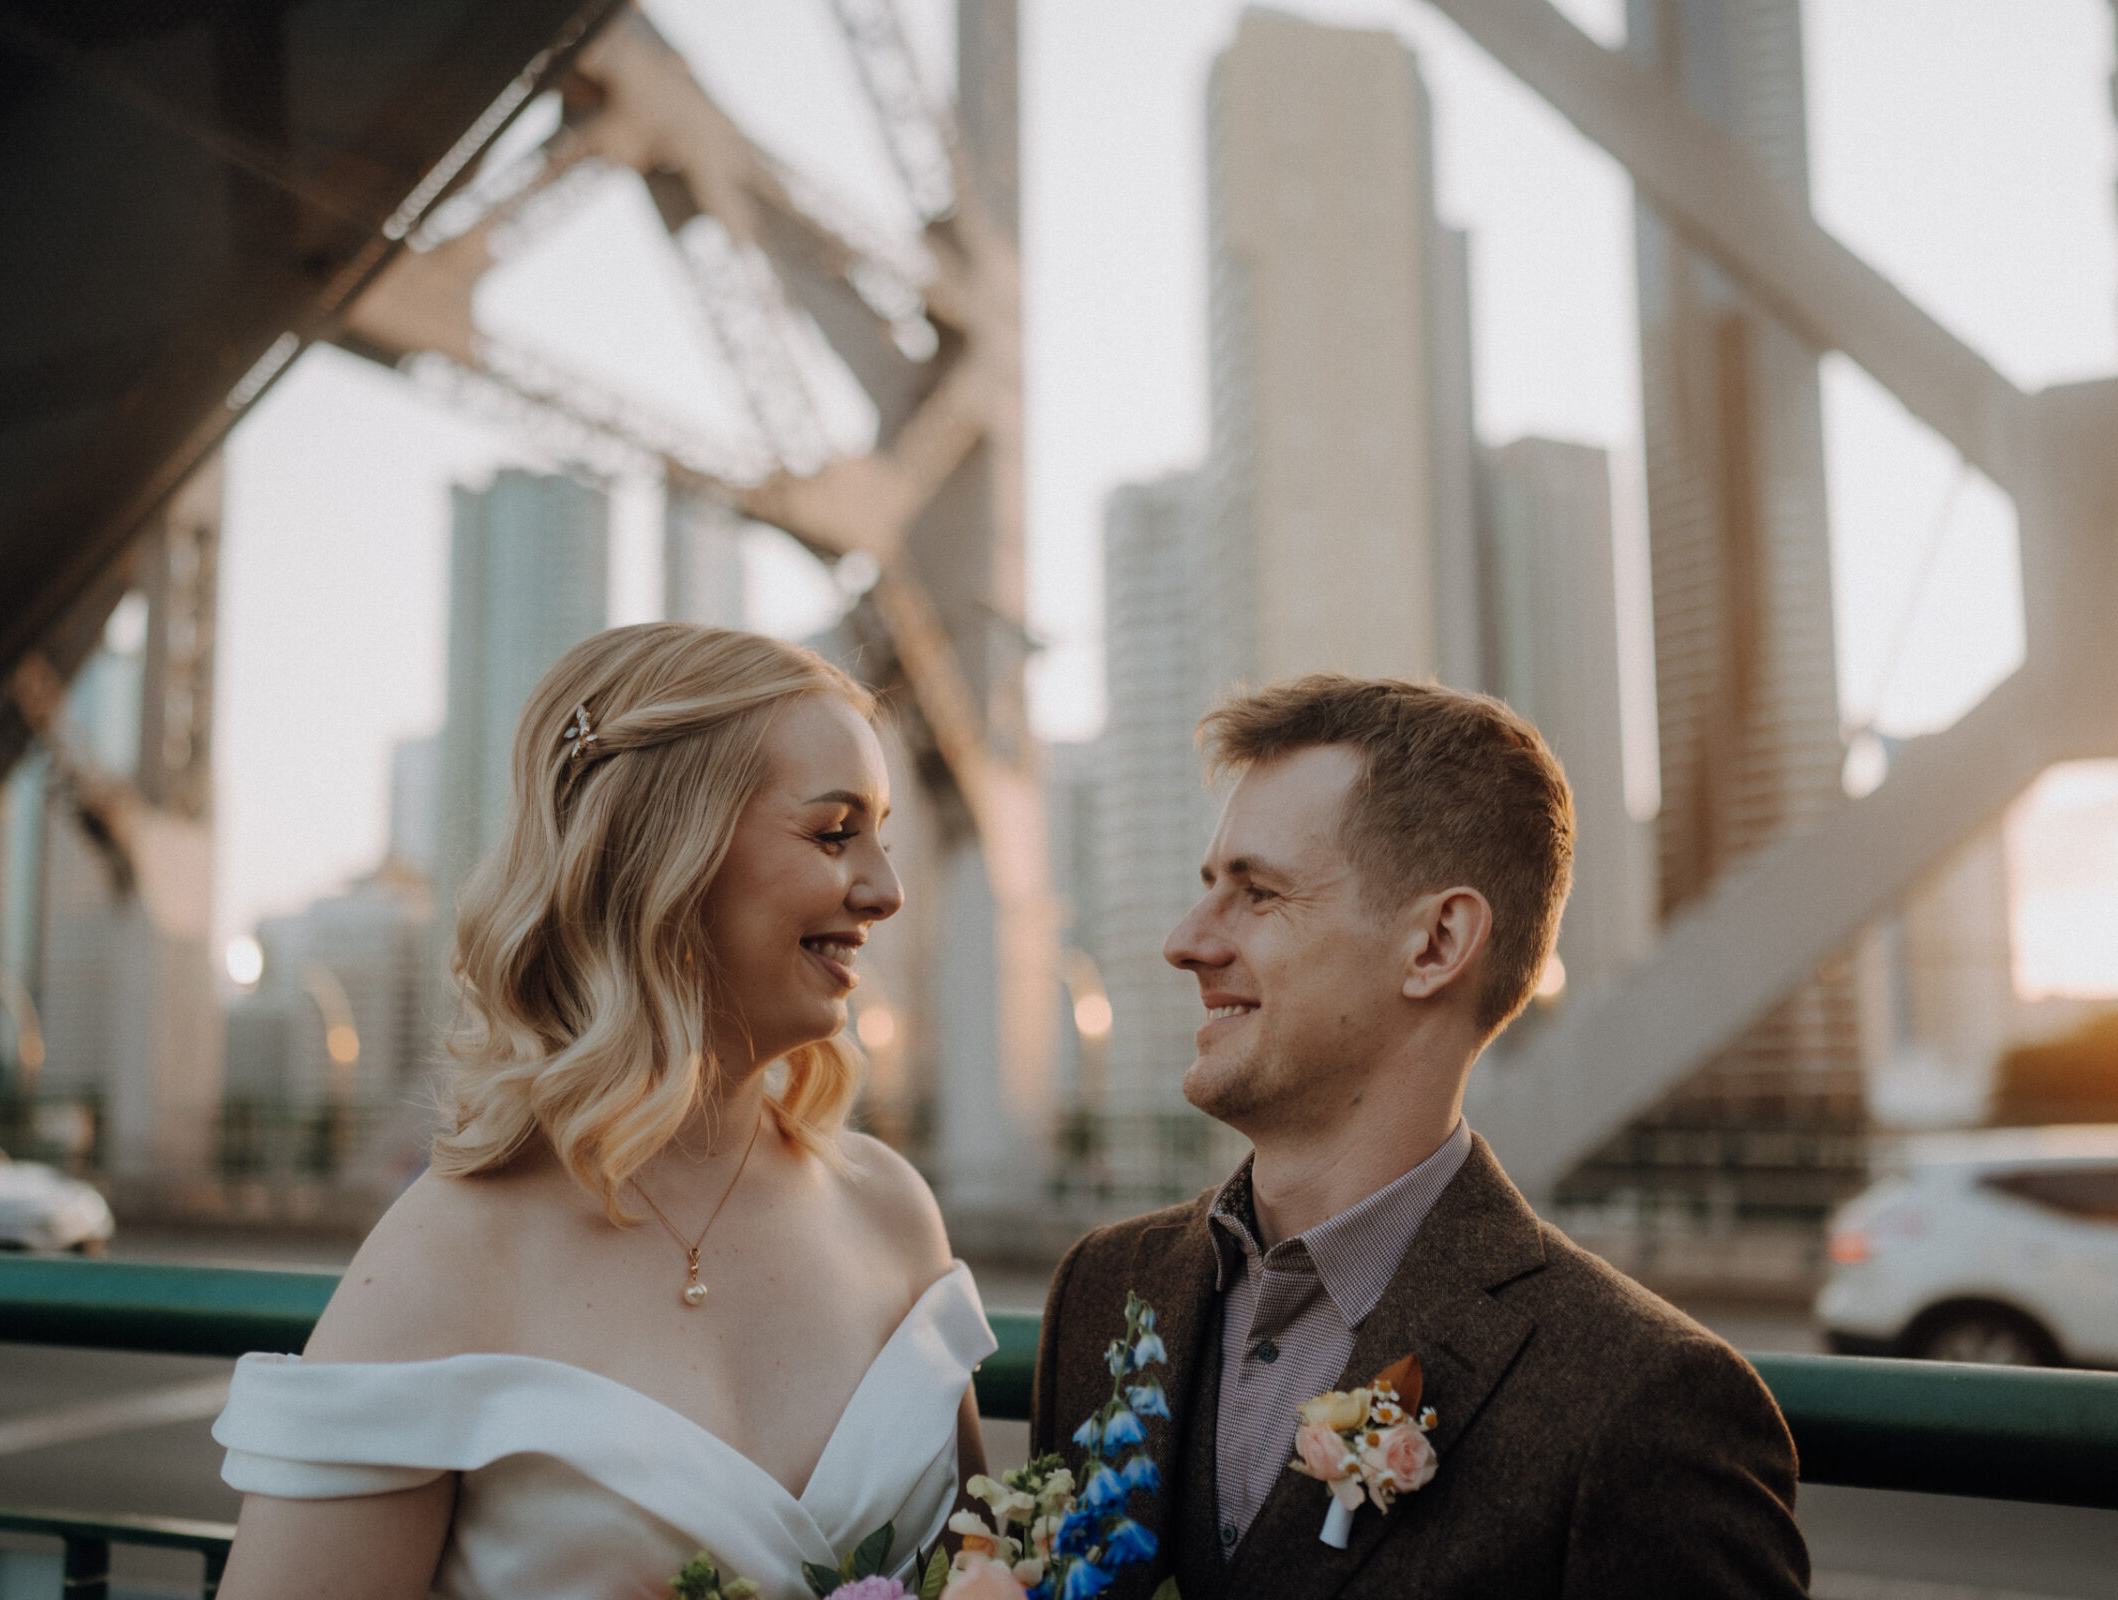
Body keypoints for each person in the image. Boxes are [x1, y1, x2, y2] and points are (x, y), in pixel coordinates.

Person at [213, 623, 993, 1600]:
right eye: (836, 831)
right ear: (666, 851)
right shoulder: (445, 1258)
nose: (886, 889)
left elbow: (983, 1564)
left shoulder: (893, 1211)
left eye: (882, 834)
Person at [1029, 676, 1811, 1599]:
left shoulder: (1646, 1405)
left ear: (1437, 943)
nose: (1186, 941)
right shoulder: (1104, 1290)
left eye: (1260, 892)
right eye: (1209, 888)